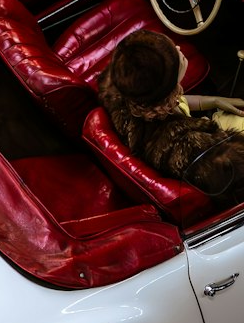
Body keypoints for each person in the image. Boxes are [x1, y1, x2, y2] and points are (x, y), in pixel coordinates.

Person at [98, 29, 244, 204]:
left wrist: (213, 100)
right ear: (167, 89)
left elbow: (177, 102)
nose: (177, 47)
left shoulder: (136, 96)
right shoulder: (199, 153)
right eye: (173, 56)